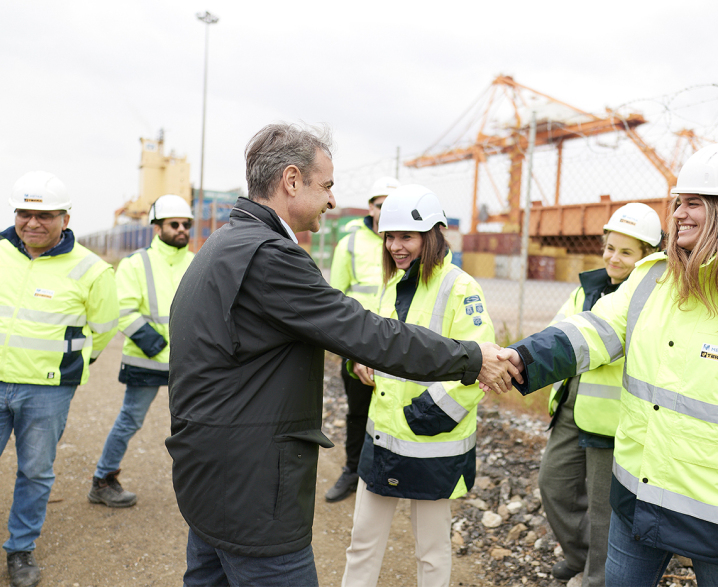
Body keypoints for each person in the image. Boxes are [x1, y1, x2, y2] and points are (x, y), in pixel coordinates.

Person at [166, 123, 516, 586]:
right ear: (292, 181)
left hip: (210, 472)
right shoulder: (269, 257)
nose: (333, 200)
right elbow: (366, 332)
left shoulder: (223, 243)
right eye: (326, 185)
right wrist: (473, 358)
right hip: (252, 488)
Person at [495, 143, 718, 587]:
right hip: (639, 496)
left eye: (694, 203)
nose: (678, 214)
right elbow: (595, 330)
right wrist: (522, 358)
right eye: (678, 203)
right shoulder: (654, 277)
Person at [340, 185, 493, 586]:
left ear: (434, 234)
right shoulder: (393, 284)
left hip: (432, 441)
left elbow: (481, 369)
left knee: (432, 550)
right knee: (362, 542)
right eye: (389, 236)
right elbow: (376, 342)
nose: (395, 246)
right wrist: (361, 360)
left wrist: (424, 414)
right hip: (383, 437)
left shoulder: (461, 288)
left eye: (406, 236)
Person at [0, 171, 118, 587]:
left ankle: (20, 548)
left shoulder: (91, 270)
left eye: (44, 215)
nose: (32, 223)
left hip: (47, 392)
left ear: (65, 219)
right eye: (24, 213)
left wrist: (67, 367)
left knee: (35, 472)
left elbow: (103, 329)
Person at [540, 203, 662, 585]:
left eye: (626, 252)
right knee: (553, 486)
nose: (613, 258)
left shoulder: (651, 298)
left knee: (602, 511)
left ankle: (597, 579)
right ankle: (580, 554)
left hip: (611, 420)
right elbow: (558, 332)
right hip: (571, 407)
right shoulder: (587, 288)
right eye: (610, 248)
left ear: (647, 257)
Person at [87, 194, 195, 508]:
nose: (181, 229)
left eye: (185, 224)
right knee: (130, 421)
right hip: (147, 359)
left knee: (196, 425)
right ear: (157, 227)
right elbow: (122, 309)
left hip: (187, 363)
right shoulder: (136, 263)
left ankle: (203, 484)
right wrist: (156, 345)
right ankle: (102, 480)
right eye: (174, 224)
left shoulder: (196, 261)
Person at [325, 175, 400, 502]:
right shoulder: (350, 244)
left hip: (398, 344)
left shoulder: (407, 243)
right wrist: (352, 351)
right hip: (358, 346)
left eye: (392, 204)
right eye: (381, 204)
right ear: (370, 207)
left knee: (397, 412)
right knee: (358, 413)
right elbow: (336, 300)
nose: (386, 210)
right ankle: (352, 471)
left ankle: (390, 476)